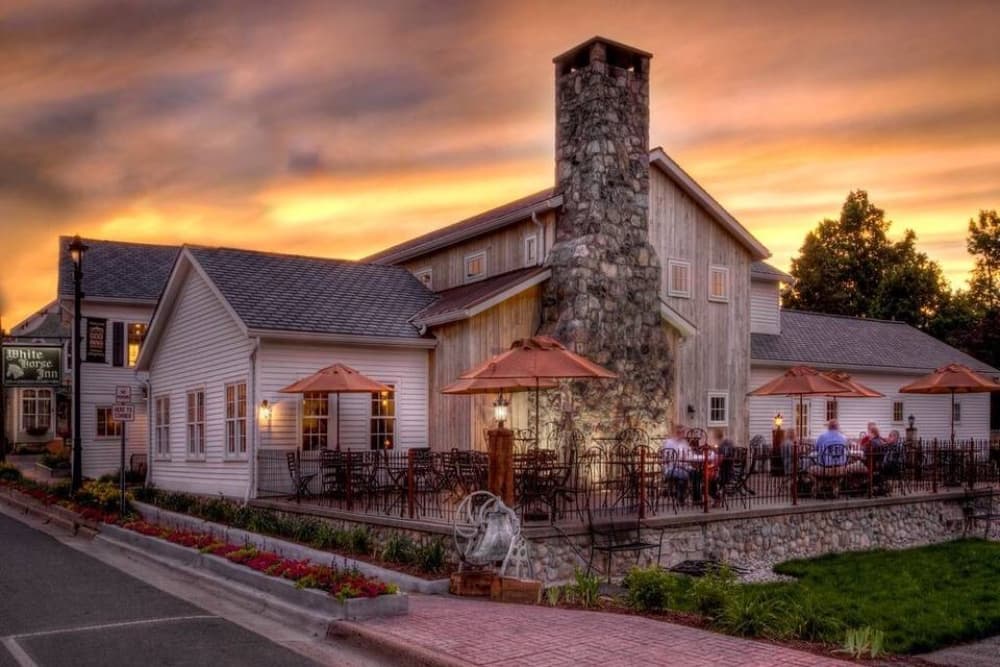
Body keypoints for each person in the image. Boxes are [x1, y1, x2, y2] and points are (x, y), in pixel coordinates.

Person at [660, 426, 693, 504]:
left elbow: (689, 454)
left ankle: (695, 498)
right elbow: (667, 457)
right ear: (676, 433)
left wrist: (686, 458)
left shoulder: (684, 443)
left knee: (695, 473)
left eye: (683, 433)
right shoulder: (669, 443)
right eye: (680, 432)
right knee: (683, 475)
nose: (682, 435)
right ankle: (681, 497)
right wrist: (678, 462)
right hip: (671, 468)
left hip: (683, 466)